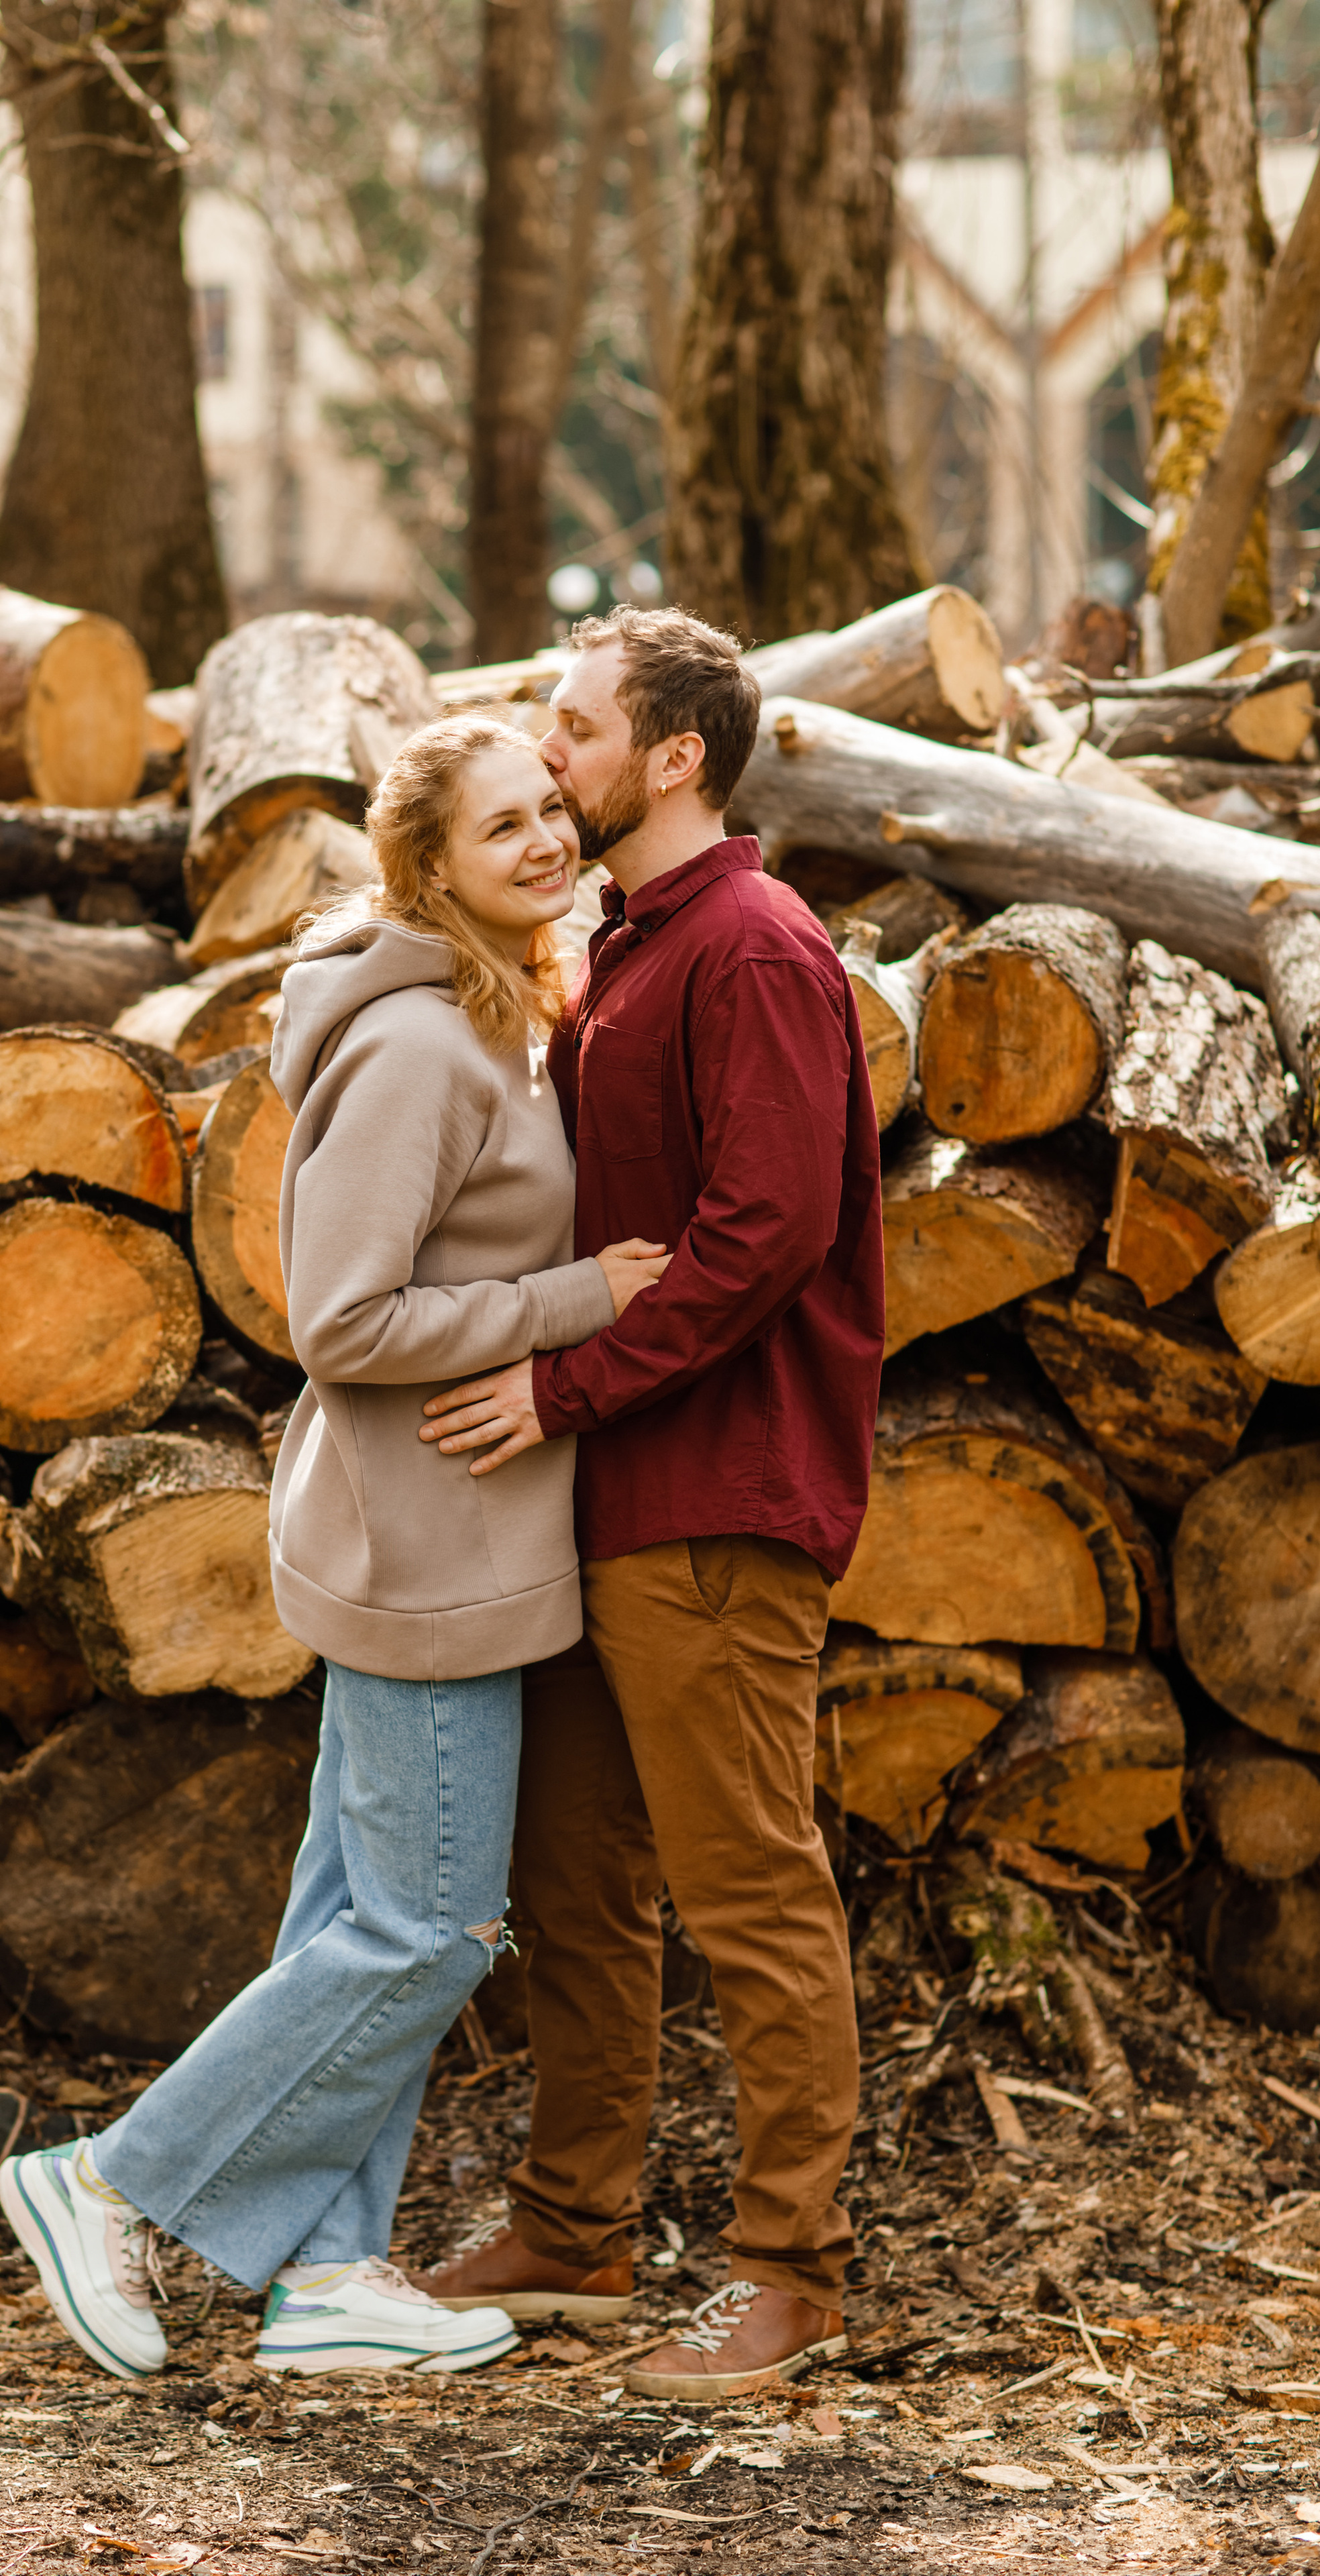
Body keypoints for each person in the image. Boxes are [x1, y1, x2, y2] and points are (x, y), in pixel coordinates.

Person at [0, 712, 668, 2383]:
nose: (542, 844)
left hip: (445, 1533)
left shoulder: (482, 1015)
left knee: (354, 1916)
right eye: (498, 826)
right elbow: (345, 1317)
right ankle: (107, 2185)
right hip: (422, 1549)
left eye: (548, 816)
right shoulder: (419, 1049)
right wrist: (587, 1298)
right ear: (425, 866)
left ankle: (326, 2273)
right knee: (429, 1932)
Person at [412, 606, 885, 2399]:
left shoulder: (752, 947)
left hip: (715, 1493)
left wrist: (557, 1386)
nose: (551, 751)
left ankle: (793, 2277)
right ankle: (577, 2230)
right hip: (598, 1503)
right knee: (580, 1883)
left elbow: (765, 1234)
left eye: (579, 724)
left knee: (750, 1886)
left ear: (674, 754)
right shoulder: (618, 943)